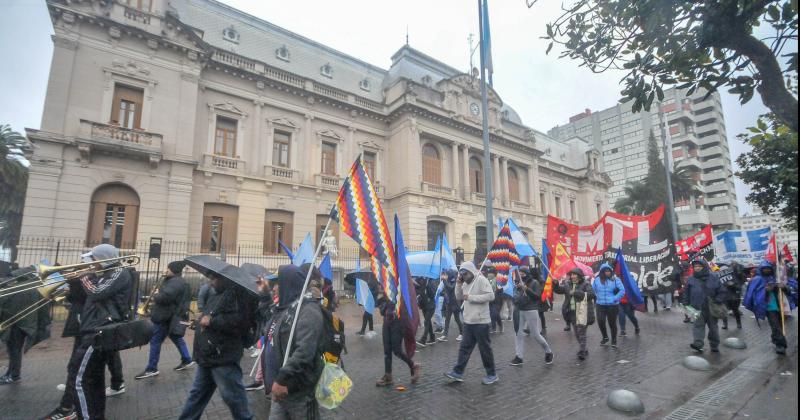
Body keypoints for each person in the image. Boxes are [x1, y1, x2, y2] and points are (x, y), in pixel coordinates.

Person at [42, 244, 132, 420]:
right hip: (94, 330)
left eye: (93, 259)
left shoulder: (118, 272)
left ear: (102, 258)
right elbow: (91, 295)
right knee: (93, 381)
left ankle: (73, 412)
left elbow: (96, 291)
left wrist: (84, 276)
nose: (91, 263)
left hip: (98, 332)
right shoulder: (106, 274)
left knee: (79, 380)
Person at [178, 272, 253, 420]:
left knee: (234, 398)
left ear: (224, 279)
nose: (211, 282)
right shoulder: (217, 294)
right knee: (197, 395)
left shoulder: (237, 297)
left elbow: (240, 322)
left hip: (222, 357)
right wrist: (200, 321)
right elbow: (209, 314)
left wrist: (212, 321)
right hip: (207, 355)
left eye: (214, 279)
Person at [264, 265, 326, 419]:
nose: (274, 288)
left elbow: (305, 351)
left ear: (288, 284)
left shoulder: (308, 310)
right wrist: (263, 295)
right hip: (279, 391)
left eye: (277, 283)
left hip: (298, 391)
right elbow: (265, 330)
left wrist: (282, 378)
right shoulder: (285, 308)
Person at [136, 261, 194, 380]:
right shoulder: (177, 281)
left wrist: (156, 294)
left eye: (167, 268)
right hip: (170, 316)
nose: (165, 269)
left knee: (155, 340)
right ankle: (187, 359)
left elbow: (164, 298)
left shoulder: (175, 283)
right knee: (176, 337)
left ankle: (152, 368)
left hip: (165, 317)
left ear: (173, 269)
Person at [444, 261, 498, 385]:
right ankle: (458, 372)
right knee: (464, 348)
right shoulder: (464, 282)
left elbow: (491, 296)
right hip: (468, 321)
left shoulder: (481, 280)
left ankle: (492, 374)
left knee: (485, 349)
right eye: (462, 274)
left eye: (466, 274)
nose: (464, 277)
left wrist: (472, 298)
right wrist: (458, 284)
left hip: (481, 322)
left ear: (471, 271)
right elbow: (459, 296)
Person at [743, 260, 798, 355]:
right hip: (769, 307)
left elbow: (790, 289)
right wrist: (766, 290)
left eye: (768, 269)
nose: (767, 270)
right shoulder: (757, 279)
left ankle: (775, 338)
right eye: (765, 269)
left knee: (779, 326)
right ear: (761, 269)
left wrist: (783, 287)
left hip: (781, 306)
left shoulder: (777, 278)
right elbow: (753, 294)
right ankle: (781, 345)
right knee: (776, 326)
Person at [0, 267, 43, 385]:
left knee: (14, 351)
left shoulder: (20, 289)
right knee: (14, 350)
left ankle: (14, 375)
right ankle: (10, 373)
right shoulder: (32, 287)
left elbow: (8, 306)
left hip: (17, 325)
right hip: (23, 325)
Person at [509, 268, 553, 366]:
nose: (521, 275)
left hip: (531, 310)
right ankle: (519, 356)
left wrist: (526, 289)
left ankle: (548, 351)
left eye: (523, 273)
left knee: (535, 334)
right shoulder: (517, 283)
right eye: (519, 273)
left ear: (527, 274)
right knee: (518, 334)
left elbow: (537, 296)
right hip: (520, 310)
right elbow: (515, 295)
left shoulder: (534, 282)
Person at [376, 292, 421, 387]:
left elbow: (404, 301)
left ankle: (413, 365)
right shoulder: (384, 282)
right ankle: (388, 376)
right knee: (387, 350)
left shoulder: (400, 281)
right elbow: (380, 306)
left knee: (397, 350)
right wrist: (380, 296)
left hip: (398, 321)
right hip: (387, 320)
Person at [681, 258, 724, 353]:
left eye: (699, 266)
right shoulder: (690, 279)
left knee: (713, 328)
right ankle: (698, 344)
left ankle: (714, 345)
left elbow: (721, 291)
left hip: (711, 308)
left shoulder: (713, 277)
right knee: (697, 326)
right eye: (695, 266)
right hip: (697, 308)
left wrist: (718, 299)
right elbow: (686, 293)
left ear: (704, 266)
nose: (697, 268)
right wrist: (685, 304)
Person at [554, 268, 595, 360]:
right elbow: (559, 290)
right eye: (571, 275)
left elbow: (591, 295)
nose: (572, 276)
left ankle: (582, 351)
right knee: (577, 333)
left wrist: (576, 292)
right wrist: (555, 284)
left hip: (582, 311)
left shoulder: (586, 284)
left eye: (574, 274)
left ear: (579, 276)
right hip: (572, 312)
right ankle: (584, 348)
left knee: (581, 332)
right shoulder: (567, 284)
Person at [592, 263, 624, 348]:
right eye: (605, 271)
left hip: (612, 306)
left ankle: (614, 340)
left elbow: (622, 290)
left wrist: (615, 298)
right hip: (600, 305)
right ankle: (605, 337)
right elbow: (592, 290)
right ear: (602, 272)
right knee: (601, 321)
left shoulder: (615, 279)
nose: (607, 272)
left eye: (609, 271)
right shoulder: (597, 280)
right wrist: (595, 296)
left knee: (612, 323)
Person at [438, 269, 463, 342]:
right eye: (445, 274)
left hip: (455, 303)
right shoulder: (447, 280)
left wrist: (444, 281)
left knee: (457, 319)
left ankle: (462, 333)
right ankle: (444, 335)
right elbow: (446, 290)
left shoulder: (455, 280)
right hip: (448, 303)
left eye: (446, 274)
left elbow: (451, 288)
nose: (445, 276)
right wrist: (442, 293)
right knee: (447, 319)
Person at [416, 276, 437, 347]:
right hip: (424, 306)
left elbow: (432, 294)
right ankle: (432, 338)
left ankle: (423, 339)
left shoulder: (431, 282)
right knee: (428, 321)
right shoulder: (420, 280)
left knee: (426, 321)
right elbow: (419, 292)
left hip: (431, 306)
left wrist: (427, 285)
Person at [486, 267, 504, 334]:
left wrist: (495, 293)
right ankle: (493, 327)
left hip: (497, 300)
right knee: (491, 314)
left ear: (494, 274)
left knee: (494, 314)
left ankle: (498, 325)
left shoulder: (498, 281)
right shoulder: (486, 280)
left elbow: (500, 290)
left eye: (491, 273)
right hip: (489, 300)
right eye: (488, 273)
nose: (489, 275)